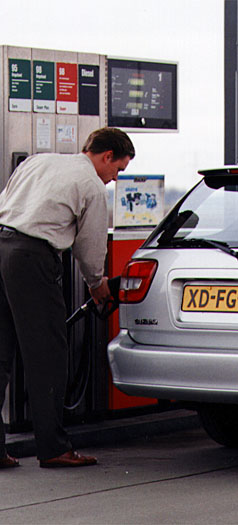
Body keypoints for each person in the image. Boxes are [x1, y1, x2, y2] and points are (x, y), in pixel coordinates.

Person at [0, 127, 135, 469]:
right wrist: (96, 284)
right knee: (47, 354)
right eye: (118, 170)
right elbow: (90, 248)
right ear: (106, 156)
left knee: (0, 353)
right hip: (32, 258)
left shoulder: (38, 161)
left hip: (1, 247)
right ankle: (53, 448)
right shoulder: (90, 184)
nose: (114, 179)